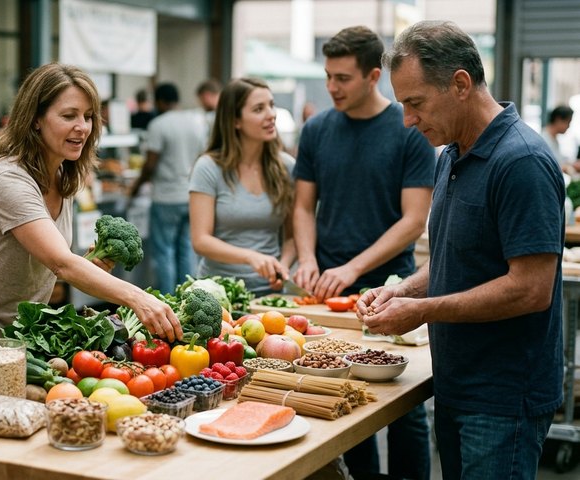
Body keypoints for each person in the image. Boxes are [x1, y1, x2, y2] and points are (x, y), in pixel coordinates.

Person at [360, 20, 564, 480]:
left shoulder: (522, 161)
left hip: (503, 398)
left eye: (415, 103)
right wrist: (404, 293)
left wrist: (423, 311)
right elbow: (458, 260)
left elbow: (531, 289)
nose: (408, 120)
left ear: (460, 84)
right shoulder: (452, 154)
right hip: (457, 385)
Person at [0, 63, 182, 373]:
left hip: (12, 345)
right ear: (35, 121)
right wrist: (137, 298)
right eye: (69, 115)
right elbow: (60, 261)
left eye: (88, 116)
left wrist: (84, 265)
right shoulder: (9, 179)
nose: (82, 126)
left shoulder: (63, 175)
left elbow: (49, 262)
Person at [293, 26, 436, 479]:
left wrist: (352, 267)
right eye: (328, 76)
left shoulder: (409, 129)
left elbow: (413, 220)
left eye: (343, 78)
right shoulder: (316, 130)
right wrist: (309, 258)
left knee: (403, 408)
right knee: (345, 405)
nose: (331, 87)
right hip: (327, 290)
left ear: (374, 75)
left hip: (393, 288)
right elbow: (301, 206)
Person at [189, 78, 296, 297]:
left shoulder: (286, 167)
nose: (271, 114)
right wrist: (251, 256)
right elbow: (200, 240)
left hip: (270, 296)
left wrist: (282, 266)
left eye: (271, 105)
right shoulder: (208, 168)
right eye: (259, 109)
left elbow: (292, 237)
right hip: (218, 296)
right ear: (235, 121)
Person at [129, 82, 208, 294]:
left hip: (165, 197)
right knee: (185, 251)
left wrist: (136, 186)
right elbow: (202, 157)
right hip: (190, 194)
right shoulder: (195, 123)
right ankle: (187, 298)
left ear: (161, 101)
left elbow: (151, 162)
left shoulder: (158, 124)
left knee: (164, 252)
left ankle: (167, 301)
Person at [541, 105, 576, 172]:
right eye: (568, 122)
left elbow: (558, 159)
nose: (568, 126)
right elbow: (548, 166)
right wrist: (566, 168)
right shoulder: (544, 139)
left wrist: (572, 163)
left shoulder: (553, 138)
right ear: (558, 120)